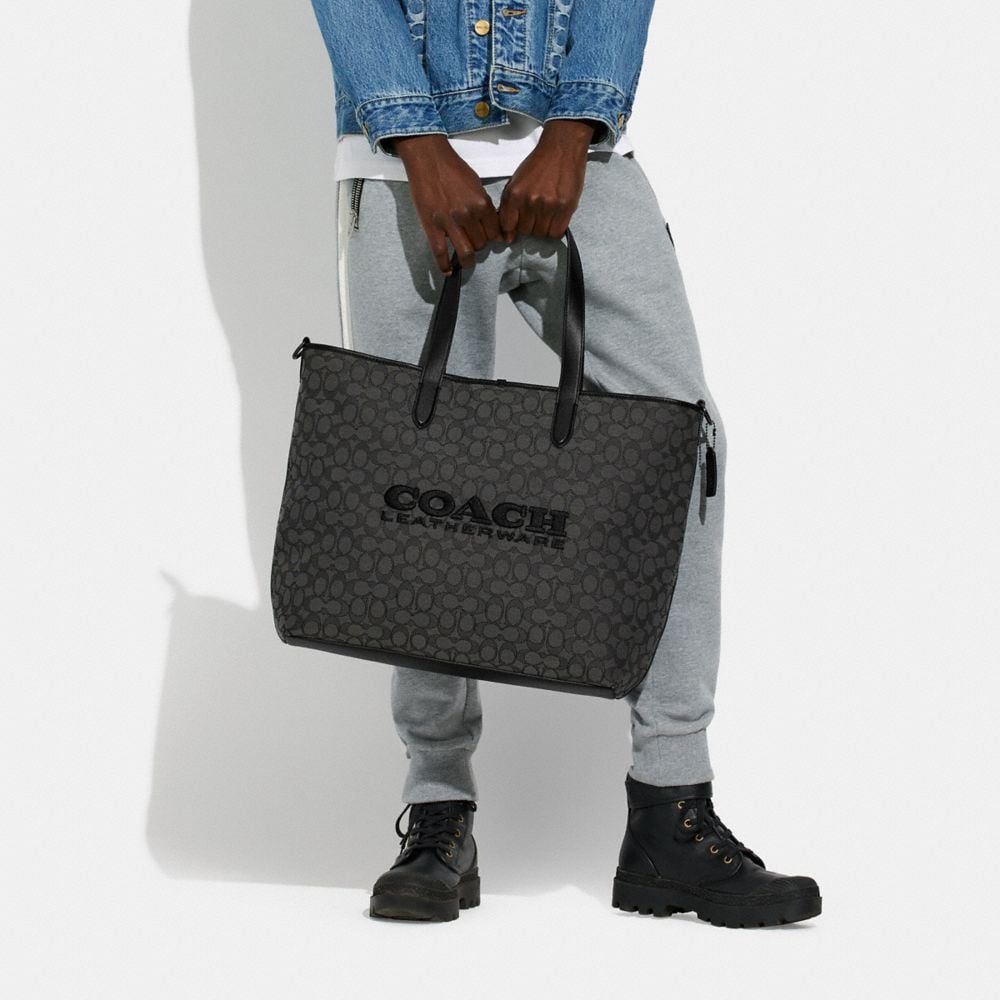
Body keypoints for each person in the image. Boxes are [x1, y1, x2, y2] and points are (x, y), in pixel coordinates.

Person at [310, 0, 822, 927]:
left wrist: (574, 128)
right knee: (420, 480)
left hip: (581, 161)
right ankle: (438, 812)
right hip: (402, 171)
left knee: (681, 447)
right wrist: (418, 142)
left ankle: (672, 811)